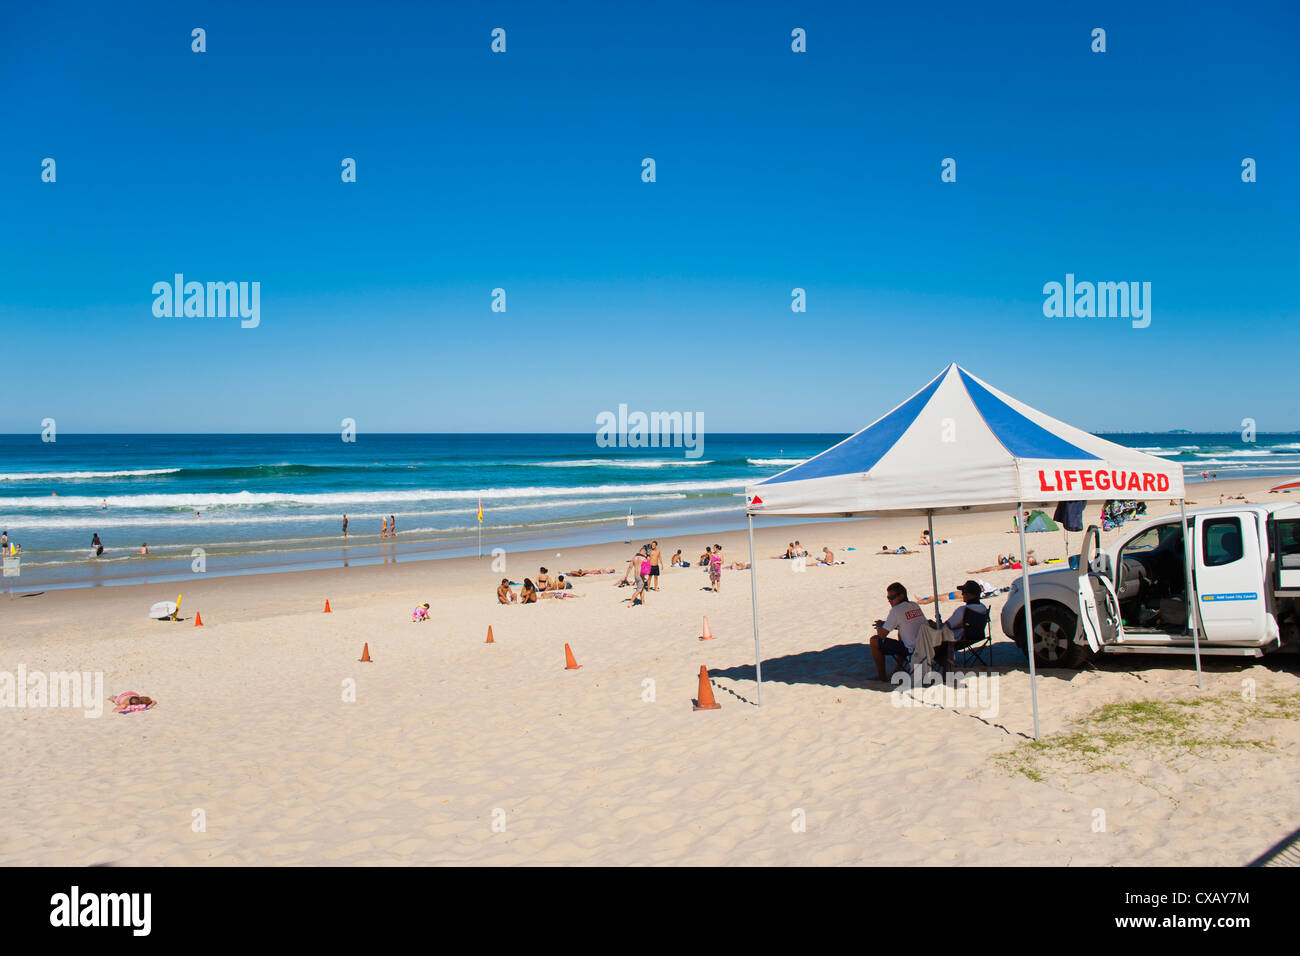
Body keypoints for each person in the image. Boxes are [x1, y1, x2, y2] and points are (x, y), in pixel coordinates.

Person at [869, 582, 927, 680]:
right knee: (901, 634)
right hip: (927, 646)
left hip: (912, 650)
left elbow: (882, 635)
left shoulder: (896, 610)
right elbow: (906, 623)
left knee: (874, 641)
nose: (889, 601)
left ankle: (882, 677)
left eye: (892, 598)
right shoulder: (914, 605)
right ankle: (899, 668)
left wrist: (879, 626)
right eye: (888, 598)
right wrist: (886, 623)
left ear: (901, 596)